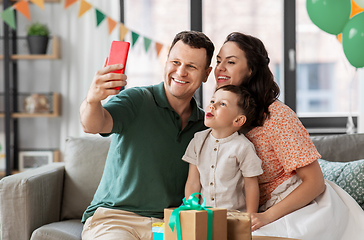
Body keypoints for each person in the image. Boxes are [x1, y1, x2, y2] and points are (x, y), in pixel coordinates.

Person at [214, 32, 364, 240]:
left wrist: (266, 217)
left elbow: (314, 183)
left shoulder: (276, 115)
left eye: (230, 62)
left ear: (251, 70)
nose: (220, 68)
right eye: (218, 61)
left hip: (306, 209)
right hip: (262, 212)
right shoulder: (223, 118)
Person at [79, 31, 214, 240]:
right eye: (175, 62)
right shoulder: (138, 99)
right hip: (116, 220)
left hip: (171, 224)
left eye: (192, 66)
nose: (181, 71)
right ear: (166, 62)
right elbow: (93, 124)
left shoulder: (205, 126)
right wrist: (92, 100)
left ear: (206, 74)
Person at [183, 85, 263, 213]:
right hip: (204, 215)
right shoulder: (197, 141)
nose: (212, 106)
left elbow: (251, 185)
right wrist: (191, 212)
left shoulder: (243, 147)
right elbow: (193, 182)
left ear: (238, 120)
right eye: (212, 101)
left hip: (233, 215)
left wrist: (250, 216)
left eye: (223, 104)